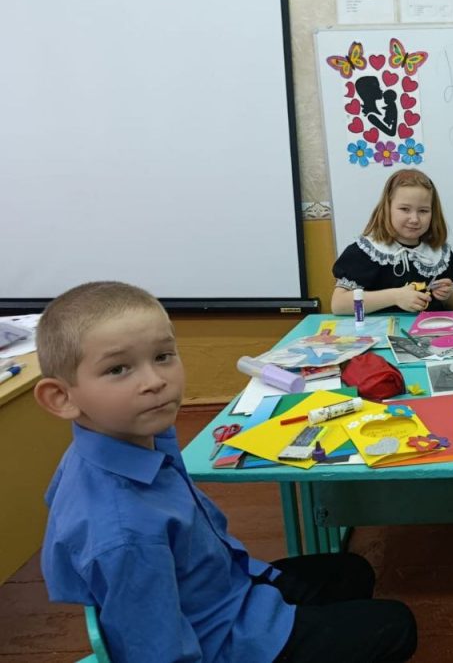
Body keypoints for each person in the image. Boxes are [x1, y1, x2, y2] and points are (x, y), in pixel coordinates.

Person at [34, 281, 417, 662]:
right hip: (226, 641)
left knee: (351, 572)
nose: (154, 381)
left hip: (227, 590)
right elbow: (160, 653)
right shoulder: (124, 532)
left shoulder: (128, 440)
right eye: (118, 369)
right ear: (61, 397)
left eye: (163, 356)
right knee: (396, 625)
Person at [331, 168, 453, 315]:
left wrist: (448, 296)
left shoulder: (440, 254)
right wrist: (395, 297)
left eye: (423, 211)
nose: (414, 219)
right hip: (381, 329)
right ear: (387, 208)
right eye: (405, 209)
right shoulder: (365, 251)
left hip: (430, 328)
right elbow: (338, 305)